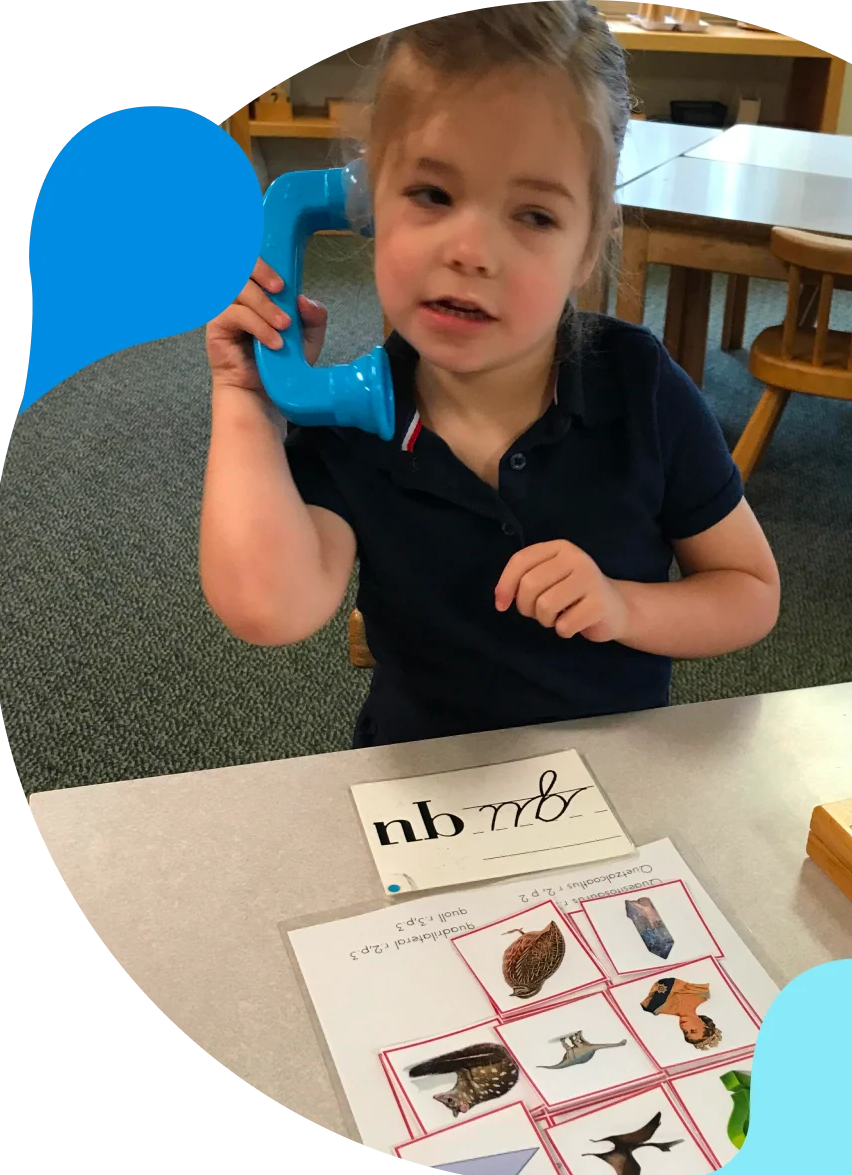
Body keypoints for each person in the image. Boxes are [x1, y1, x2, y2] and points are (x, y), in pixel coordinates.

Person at [200, 0, 780, 750]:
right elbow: (266, 608)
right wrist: (250, 397)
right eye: (433, 195)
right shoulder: (352, 421)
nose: (471, 250)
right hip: (429, 783)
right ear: (363, 207)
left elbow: (750, 592)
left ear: (587, 250)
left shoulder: (640, 388)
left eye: (534, 215)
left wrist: (624, 608)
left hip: (615, 773)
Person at [640, 977, 723, 1051]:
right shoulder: (702, 992)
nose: (685, 1028)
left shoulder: (652, 1007)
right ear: (704, 1024)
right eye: (693, 1030)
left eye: (685, 1032)